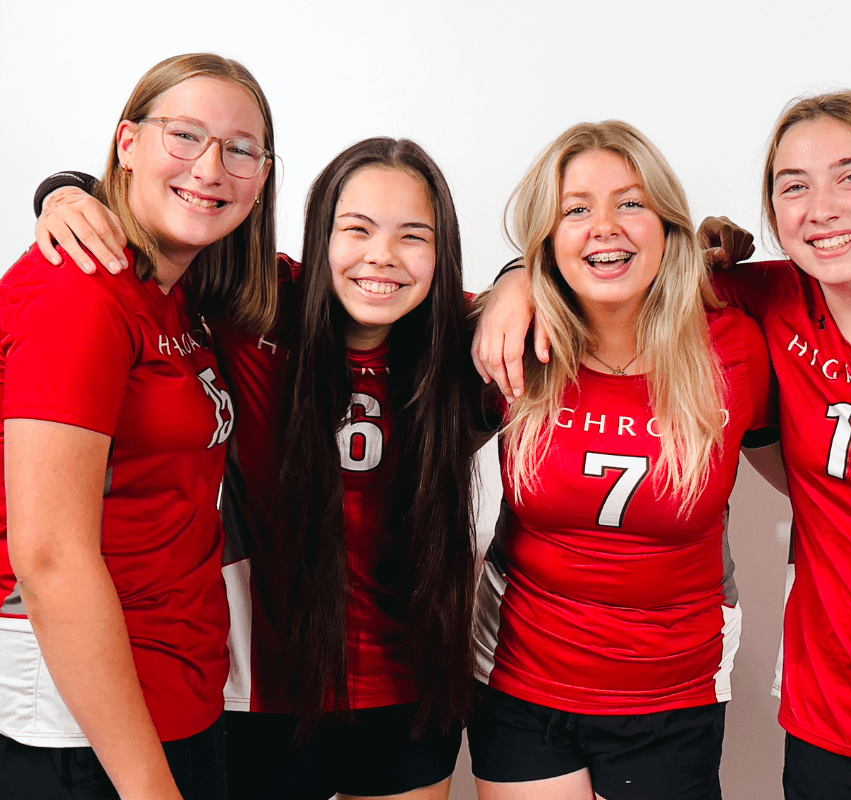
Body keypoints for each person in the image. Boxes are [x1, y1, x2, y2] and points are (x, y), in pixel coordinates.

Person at [474, 92, 851, 800]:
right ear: (774, 213)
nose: (822, 207)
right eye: (794, 186)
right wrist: (514, 279)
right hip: (830, 718)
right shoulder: (766, 303)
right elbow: (618, 259)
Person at [32, 137, 482, 800]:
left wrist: (516, 283)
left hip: (410, 694)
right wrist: (65, 192)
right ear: (315, 231)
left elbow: (566, 302)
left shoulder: (464, 347)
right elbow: (167, 223)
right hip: (263, 697)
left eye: (413, 235)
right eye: (355, 228)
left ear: (441, 255)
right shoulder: (259, 301)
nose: (381, 255)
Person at [465, 120, 778, 800]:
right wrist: (513, 279)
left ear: (668, 226)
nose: (604, 226)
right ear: (547, 238)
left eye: (630, 203)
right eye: (576, 210)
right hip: (522, 686)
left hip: (674, 689)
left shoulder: (731, 344)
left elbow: (806, 478)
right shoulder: (513, 345)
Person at [0, 52, 277, 800]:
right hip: (85, 727)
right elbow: (49, 555)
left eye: (240, 149)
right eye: (183, 136)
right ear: (127, 145)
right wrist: (148, 787)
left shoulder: (185, 286)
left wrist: (514, 284)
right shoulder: (79, 293)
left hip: (178, 691)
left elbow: (366, 274)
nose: (211, 168)